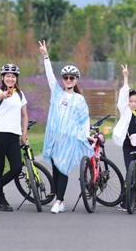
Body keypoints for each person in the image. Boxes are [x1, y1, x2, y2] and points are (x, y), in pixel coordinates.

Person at [38, 40, 93, 214]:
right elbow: (50, 77)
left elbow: (84, 119)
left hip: (69, 140)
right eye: (66, 78)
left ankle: (59, 200)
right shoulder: (57, 93)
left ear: (76, 80)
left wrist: (86, 134)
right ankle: (59, 200)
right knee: (56, 169)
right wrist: (46, 57)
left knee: (63, 169)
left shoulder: (79, 99)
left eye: (72, 78)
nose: (68, 80)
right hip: (55, 139)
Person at [0, 63, 29, 212]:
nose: (10, 79)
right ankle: (1, 200)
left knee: (17, 168)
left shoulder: (20, 95)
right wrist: (6, 94)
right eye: (7, 76)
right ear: (2, 77)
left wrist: (24, 134)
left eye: (13, 76)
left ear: (16, 78)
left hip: (14, 135)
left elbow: (24, 115)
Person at [113, 64, 136, 212]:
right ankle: (124, 202)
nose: (133, 103)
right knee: (129, 171)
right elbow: (122, 97)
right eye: (131, 101)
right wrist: (126, 78)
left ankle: (132, 199)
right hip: (128, 144)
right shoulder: (126, 111)